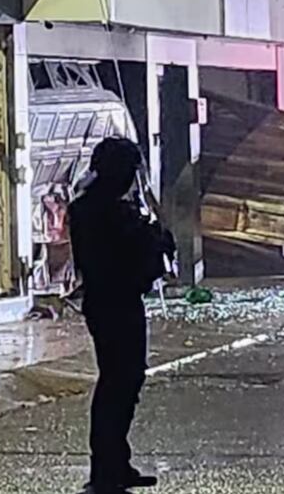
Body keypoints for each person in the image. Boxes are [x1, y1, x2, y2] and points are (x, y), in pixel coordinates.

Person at [69, 137, 174, 494]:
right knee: (120, 383)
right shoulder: (112, 213)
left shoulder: (88, 208)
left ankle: (114, 461)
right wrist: (157, 240)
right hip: (117, 303)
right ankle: (106, 467)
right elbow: (138, 253)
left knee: (120, 381)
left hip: (105, 302)